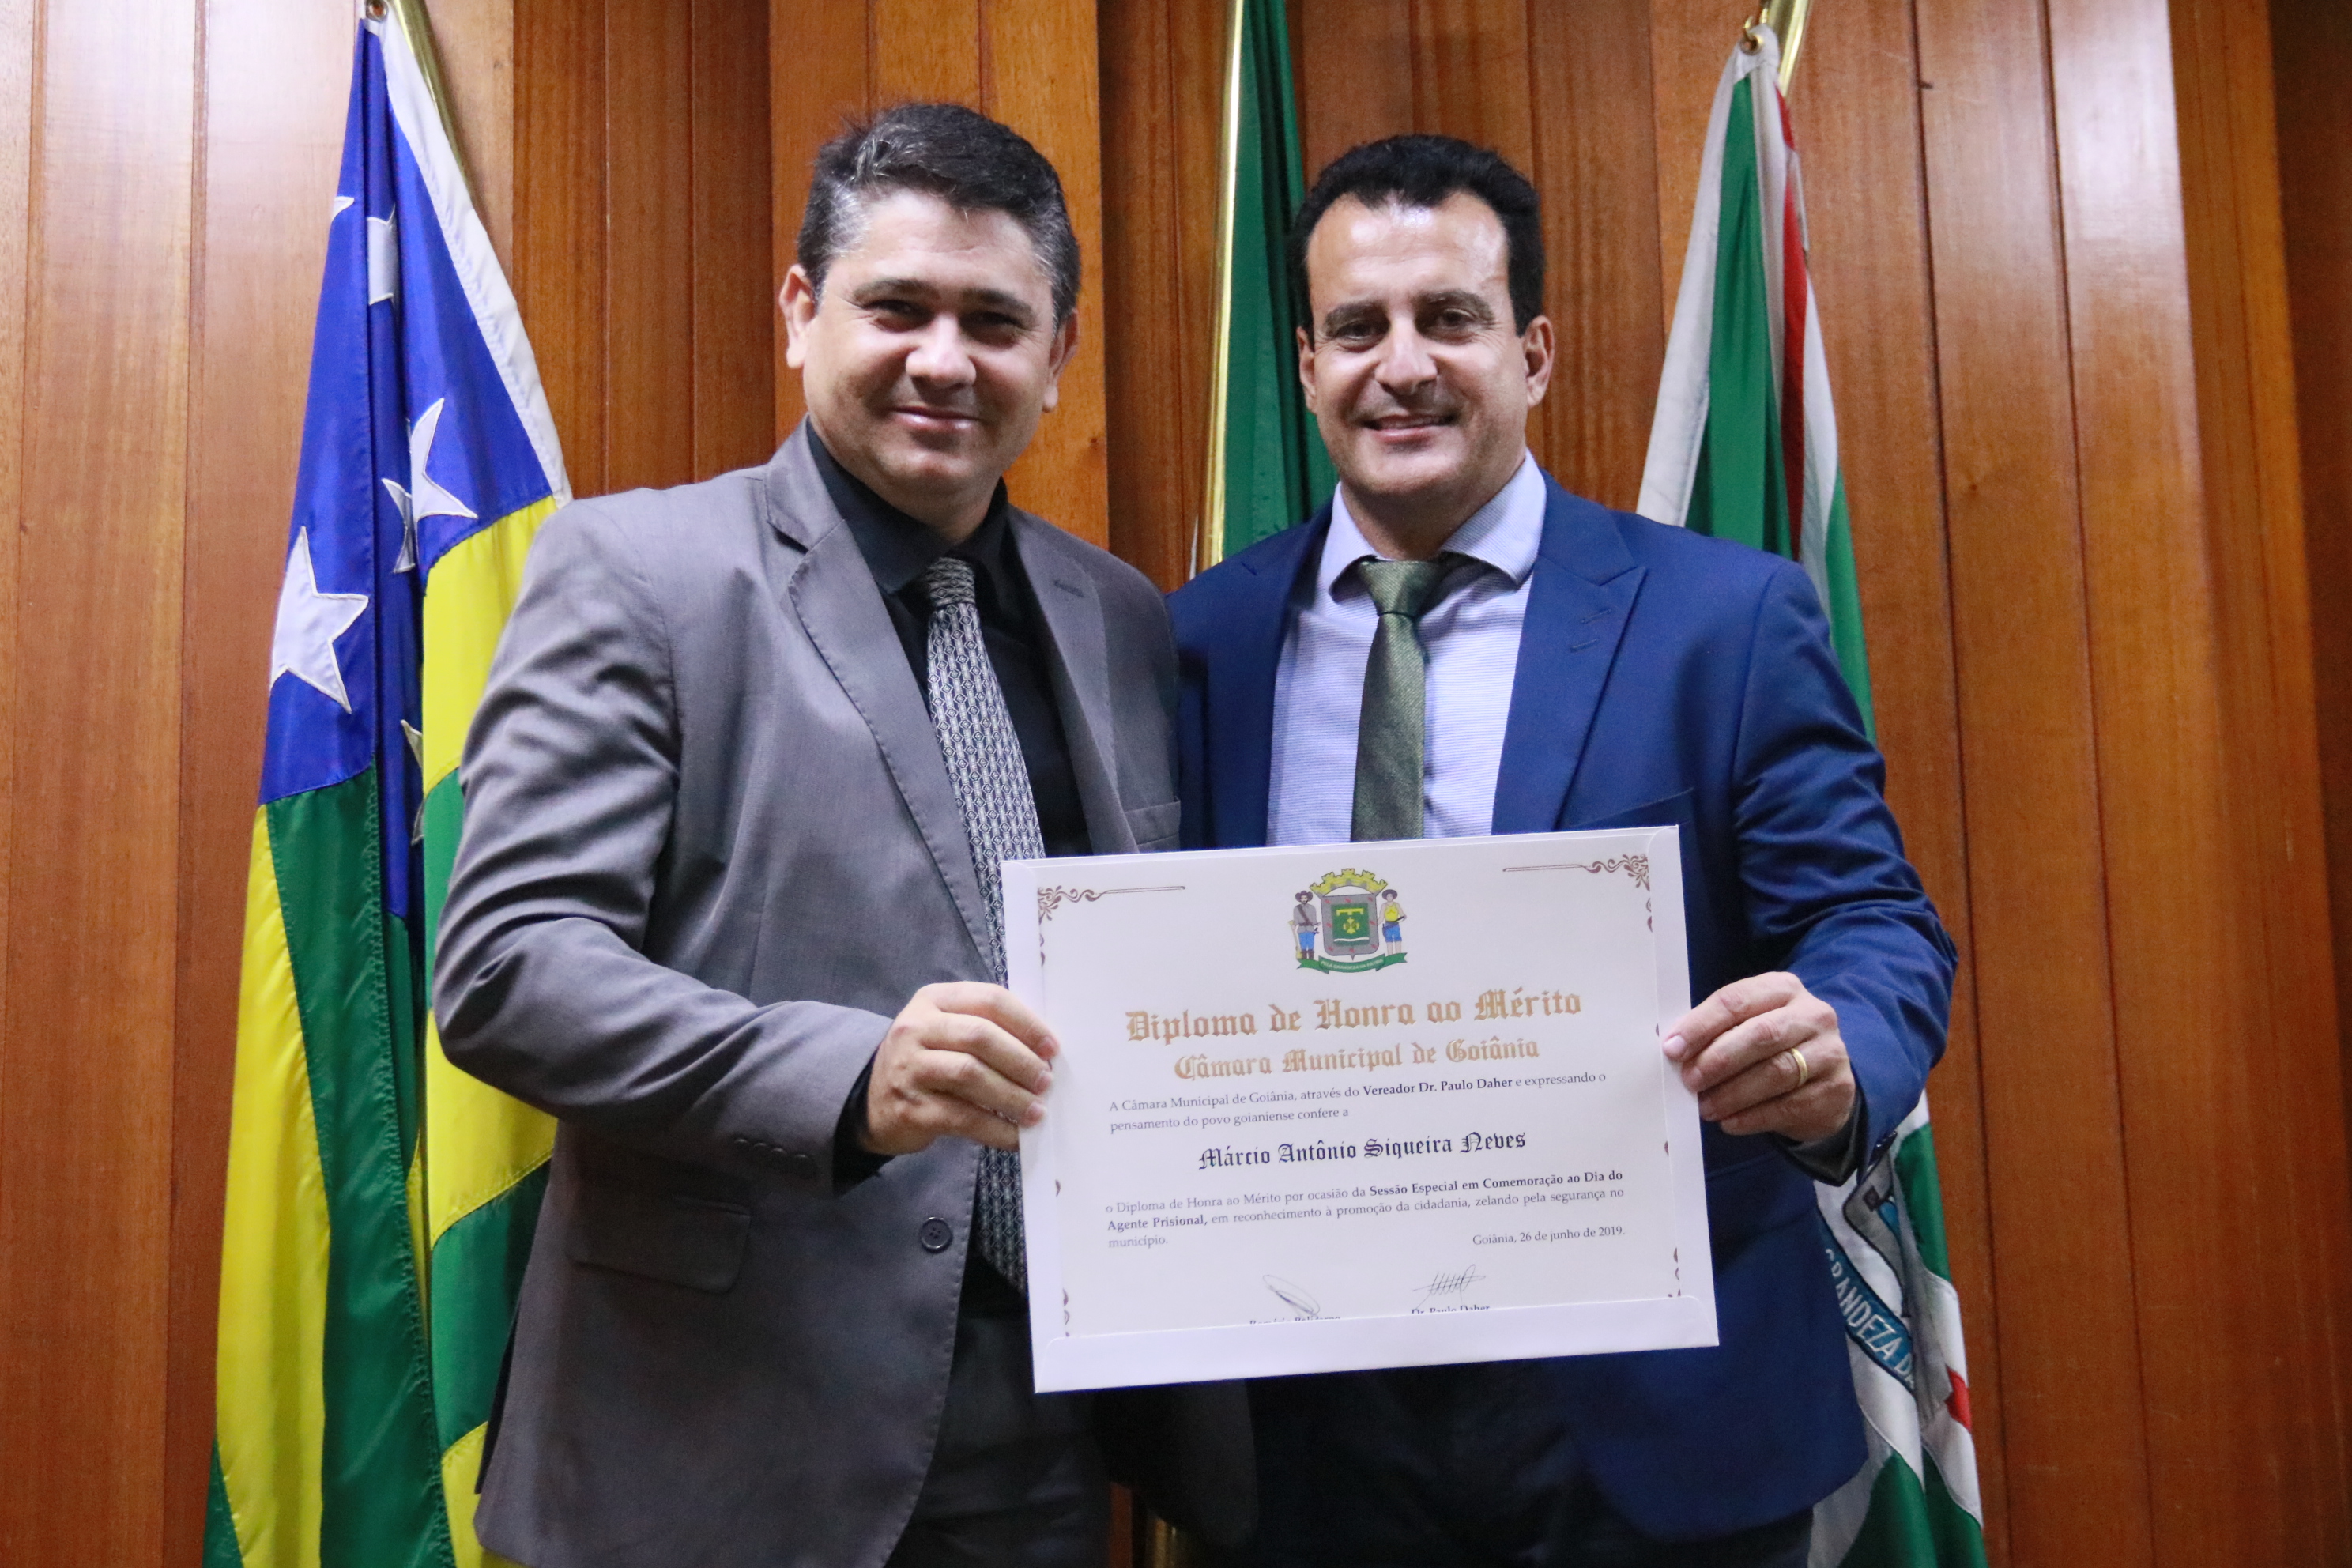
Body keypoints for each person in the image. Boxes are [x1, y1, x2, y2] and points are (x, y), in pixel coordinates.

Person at [435, 103, 1247, 1568]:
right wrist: (850, 1077)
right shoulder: (637, 572)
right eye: (898, 307)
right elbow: (511, 968)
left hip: (1051, 1430)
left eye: (995, 321)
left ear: (1059, 355)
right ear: (801, 312)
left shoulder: (1118, 614)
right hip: (722, 1432)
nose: (944, 359)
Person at [1169, 134, 1955, 1567]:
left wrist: (1837, 1043)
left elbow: (1872, 917)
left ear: (1531, 353)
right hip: (1312, 1419)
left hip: (1655, 1401)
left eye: (1449, 318)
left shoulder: (1724, 620)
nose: (1404, 365)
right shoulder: (1199, 638)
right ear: (1308, 365)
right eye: (1359, 327)